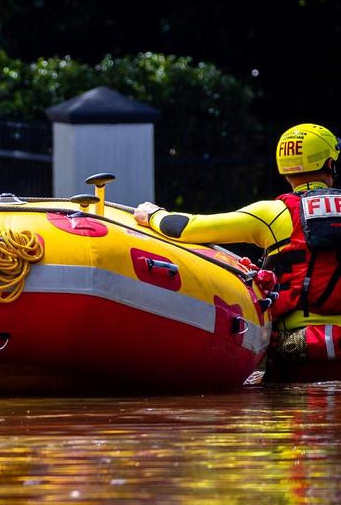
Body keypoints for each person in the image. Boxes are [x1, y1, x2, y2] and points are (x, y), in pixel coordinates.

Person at [133, 123, 341, 371]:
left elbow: (186, 228)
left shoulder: (272, 213)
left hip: (295, 344)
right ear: (330, 164)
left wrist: (154, 214)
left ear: (284, 170)